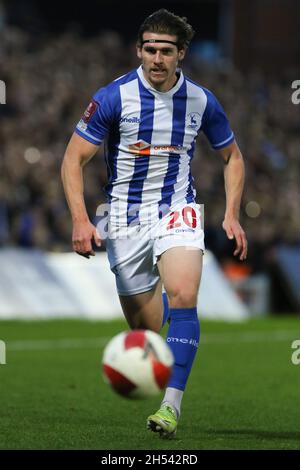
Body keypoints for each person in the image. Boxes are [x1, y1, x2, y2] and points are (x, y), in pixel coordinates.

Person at [61, 8, 248, 438]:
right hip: (123, 219)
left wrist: (233, 214)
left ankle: (170, 407)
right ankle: (161, 315)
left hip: (177, 207)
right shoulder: (113, 97)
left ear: (181, 53)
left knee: (184, 294)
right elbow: (74, 158)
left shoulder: (201, 100)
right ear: (139, 51)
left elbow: (232, 157)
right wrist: (80, 219)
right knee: (146, 331)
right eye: (150, 49)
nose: (157, 59)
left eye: (166, 50)